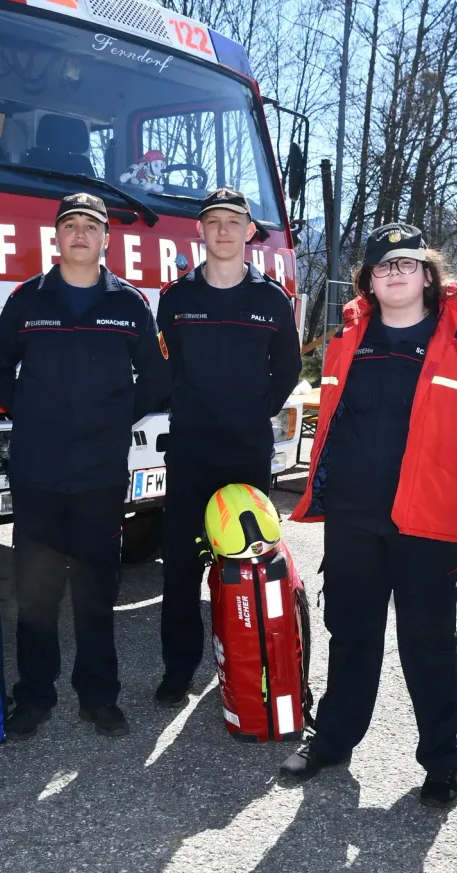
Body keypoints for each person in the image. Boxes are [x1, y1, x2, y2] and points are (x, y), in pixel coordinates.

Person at [277, 223, 457, 808]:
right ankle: (332, 740)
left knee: (428, 641)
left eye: (408, 263)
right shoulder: (346, 341)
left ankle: (442, 761)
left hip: (429, 524)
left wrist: (449, 487)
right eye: (383, 266)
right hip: (354, 516)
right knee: (351, 634)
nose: (396, 273)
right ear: (368, 283)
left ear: (430, 276)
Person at [0, 193, 169, 739]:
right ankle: (35, 696)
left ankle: (98, 697)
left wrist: (115, 419)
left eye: (91, 226)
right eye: (70, 226)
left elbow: (157, 379)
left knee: (96, 591)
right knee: (36, 592)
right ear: (56, 238)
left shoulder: (130, 304)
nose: (80, 234)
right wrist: (33, 414)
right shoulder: (27, 300)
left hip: (99, 475)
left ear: (106, 239)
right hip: (38, 474)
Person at [153, 188, 302, 706]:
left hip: (246, 452)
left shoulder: (271, 299)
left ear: (248, 232)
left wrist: (253, 411)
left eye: (233, 222)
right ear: (200, 229)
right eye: (212, 221)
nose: (222, 230)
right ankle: (179, 668)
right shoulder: (176, 299)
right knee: (181, 564)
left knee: (247, 562)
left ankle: (242, 654)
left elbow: (286, 369)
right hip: (191, 452)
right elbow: (166, 369)